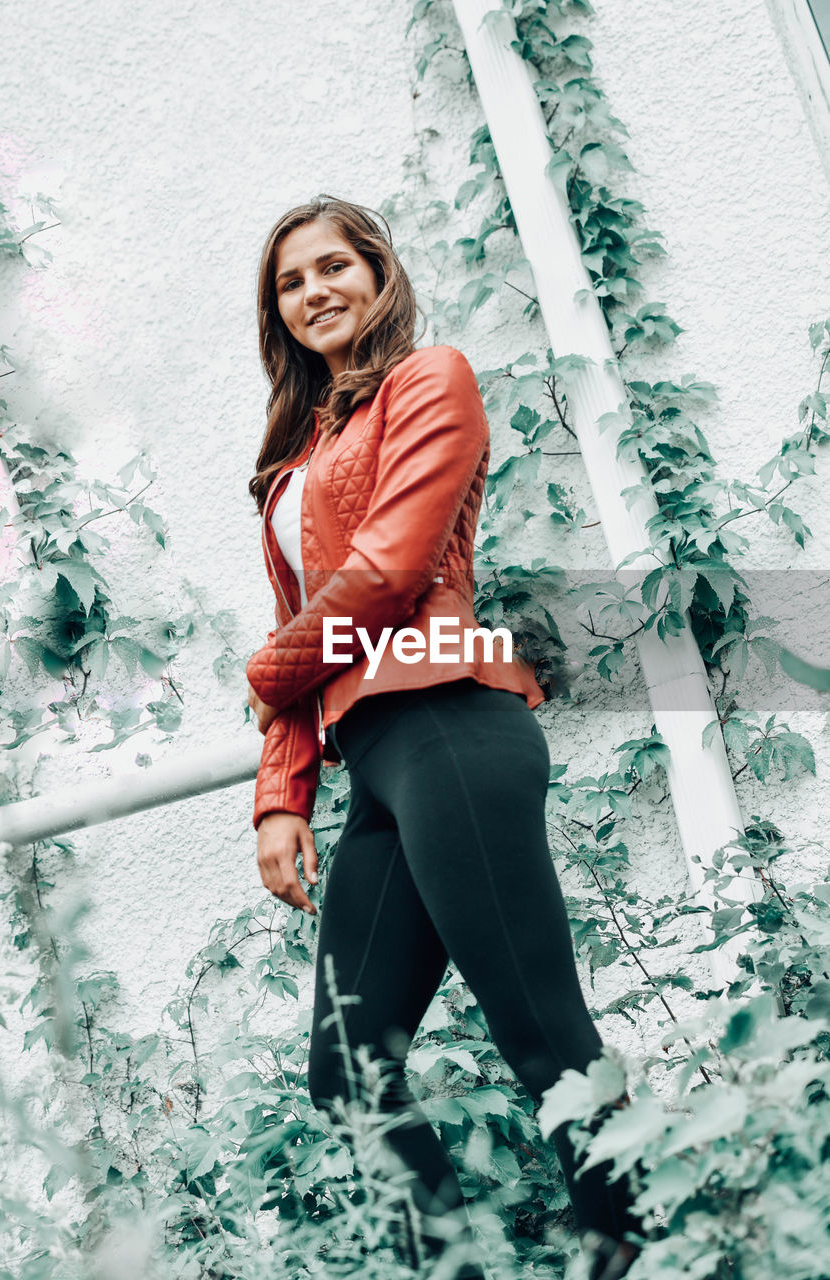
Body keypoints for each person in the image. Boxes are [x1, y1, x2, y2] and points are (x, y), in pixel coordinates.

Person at [245, 195, 645, 1280]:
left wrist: (261, 670)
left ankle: (644, 1245)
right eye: (291, 280)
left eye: (336, 266)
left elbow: (386, 572)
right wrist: (281, 796)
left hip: (451, 723)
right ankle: (453, 1265)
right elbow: (309, 628)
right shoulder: (296, 451)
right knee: (348, 1070)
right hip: (377, 761)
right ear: (275, 311)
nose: (315, 290)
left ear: (378, 277)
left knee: (539, 1028)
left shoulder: (432, 380)